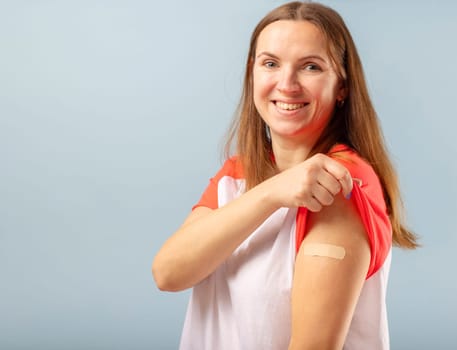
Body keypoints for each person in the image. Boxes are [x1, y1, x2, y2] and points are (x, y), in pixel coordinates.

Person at [152, 1, 418, 349]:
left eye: (310, 67)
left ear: (342, 87)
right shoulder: (239, 172)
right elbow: (169, 273)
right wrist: (272, 192)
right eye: (271, 64)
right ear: (253, 73)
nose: (287, 84)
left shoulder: (340, 183)